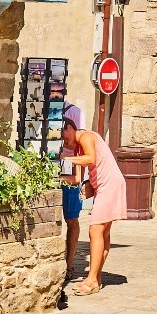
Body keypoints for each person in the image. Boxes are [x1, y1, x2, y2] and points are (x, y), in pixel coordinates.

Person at [62, 110, 127, 296]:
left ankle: (90, 280)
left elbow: (91, 158)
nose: (65, 142)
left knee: (95, 230)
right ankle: (96, 278)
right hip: (106, 186)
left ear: (70, 128)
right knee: (103, 233)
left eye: (64, 137)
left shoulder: (86, 137)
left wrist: (65, 159)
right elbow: (80, 173)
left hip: (109, 186)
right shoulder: (77, 145)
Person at [58, 104, 84, 277]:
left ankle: (69, 263)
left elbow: (77, 178)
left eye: (64, 135)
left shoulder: (75, 112)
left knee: (72, 220)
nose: (64, 139)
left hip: (70, 179)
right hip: (57, 175)